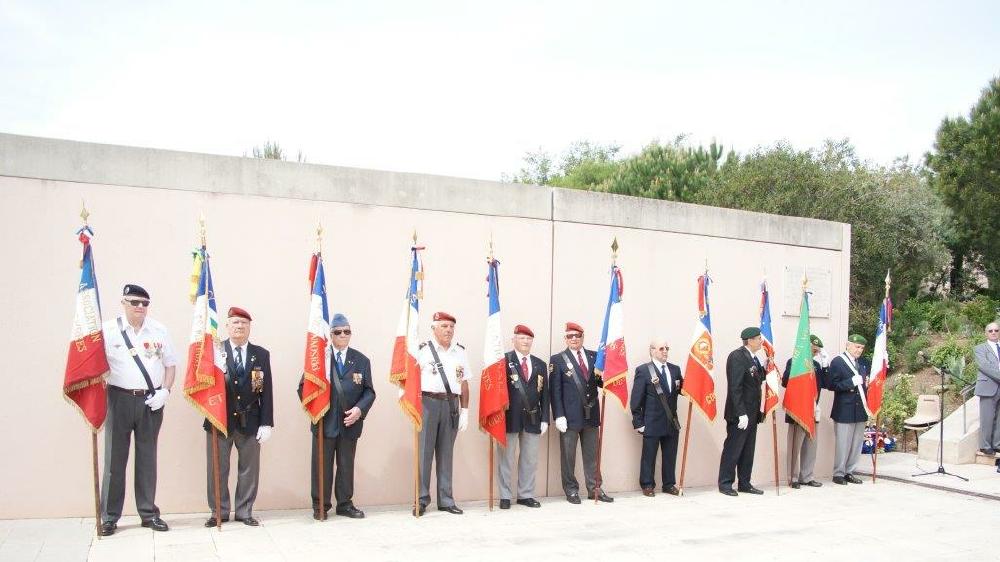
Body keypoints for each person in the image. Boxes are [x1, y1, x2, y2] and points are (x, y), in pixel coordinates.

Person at [99, 284, 176, 535]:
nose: (140, 307)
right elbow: (96, 367)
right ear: (123, 302)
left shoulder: (159, 330)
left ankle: (148, 513)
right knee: (114, 459)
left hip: (150, 401)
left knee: (147, 459)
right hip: (118, 398)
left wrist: (165, 391)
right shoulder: (108, 331)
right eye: (135, 302)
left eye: (144, 303)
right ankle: (109, 516)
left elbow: (170, 365)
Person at [299, 314, 376, 520]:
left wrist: (359, 410)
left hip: (349, 423)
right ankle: (320, 505)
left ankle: (344, 504)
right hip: (324, 421)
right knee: (321, 467)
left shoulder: (361, 360)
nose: (343, 335)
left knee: (346, 464)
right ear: (330, 334)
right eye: (338, 332)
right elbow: (303, 387)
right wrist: (316, 409)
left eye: (347, 331)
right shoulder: (319, 359)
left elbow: (369, 391)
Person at [204, 307, 274, 527]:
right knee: (217, 469)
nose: (240, 326)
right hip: (220, 419)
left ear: (249, 327)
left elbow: (265, 389)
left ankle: (244, 511)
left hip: (250, 420)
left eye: (244, 323)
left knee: (249, 470)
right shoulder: (213, 350)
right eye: (235, 322)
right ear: (227, 326)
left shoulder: (260, 354)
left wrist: (266, 422)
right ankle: (219, 511)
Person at [415, 312, 473, 515]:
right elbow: (411, 379)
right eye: (444, 326)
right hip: (428, 404)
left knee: (446, 454)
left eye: (451, 326)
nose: (448, 330)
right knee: (424, 453)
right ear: (434, 328)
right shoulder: (422, 350)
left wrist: (464, 411)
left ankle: (446, 500)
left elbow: (464, 383)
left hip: (451, 405)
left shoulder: (460, 352)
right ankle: (421, 499)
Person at [550, 322, 612, 504]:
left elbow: (601, 383)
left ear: (583, 336)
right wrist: (558, 415)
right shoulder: (558, 359)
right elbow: (555, 390)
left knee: (592, 455)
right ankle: (571, 490)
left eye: (577, 335)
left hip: (591, 413)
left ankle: (595, 489)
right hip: (569, 417)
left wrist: (609, 375)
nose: (574, 339)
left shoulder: (595, 357)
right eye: (570, 336)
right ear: (565, 338)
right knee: (568, 456)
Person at [497, 324, 548, 509]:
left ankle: (525, 494)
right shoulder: (503, 361)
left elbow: (545, 394)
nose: (525, 341)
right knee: (506, 458)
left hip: (533, 418)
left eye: (528, 339)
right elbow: (497, 392)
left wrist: (545, 419)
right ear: (513, 340)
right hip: (509, 417)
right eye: (521, 338)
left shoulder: (540, 364)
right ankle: (504, 495)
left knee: (529, 459)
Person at [630, 338, 683, 497]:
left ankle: (669, 484)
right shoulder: (644, 371)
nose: (665, 351)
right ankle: (647, 484)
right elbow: (635, 400)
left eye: (667, 348)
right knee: (649, 455)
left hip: (671, 421)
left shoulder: (675, 369)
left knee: (670, 455)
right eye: (661, 348)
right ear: (652, 351)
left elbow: (681, 390)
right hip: (652, 421)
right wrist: (638, 422)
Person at [718, 327, 766, 496]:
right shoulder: (737, 356)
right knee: (733, 449)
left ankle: (745, 482)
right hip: (740, 414)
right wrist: (740, 413)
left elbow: (756, 380)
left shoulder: (753, 358)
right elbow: (735, 387)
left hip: (752, 414)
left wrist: (767, 368)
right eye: (759, 338)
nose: (761, 341)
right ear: (750, 340)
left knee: (748, 450)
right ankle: (725, 483)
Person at [781, 334, 828, 489]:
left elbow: (825, 384)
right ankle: (793, 477)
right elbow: (785, 381)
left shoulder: (817, 365)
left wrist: (826, 367)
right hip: (798, 411)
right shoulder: (793, 361)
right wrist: (798, 366)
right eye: (813, 351)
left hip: (813, 409)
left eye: (817, 352)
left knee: (811, 446)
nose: (815, 354)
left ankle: (807, 476)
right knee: (795, 446)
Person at [829, 334, 870, 485]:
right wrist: (850, 382)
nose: (859, 350)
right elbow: (831, 385)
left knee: (856, 444)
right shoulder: (838, 362)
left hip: (859, 409)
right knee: (843, 443)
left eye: (861, 348)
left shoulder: (862, 363)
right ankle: (838, 473)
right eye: (857, 347)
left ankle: (849, 471)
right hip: (844, 409)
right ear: (848, 345)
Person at [973, 322, 1000, 456]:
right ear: (986, 333)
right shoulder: (980, 348)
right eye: (990, 331)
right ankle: (985, 446)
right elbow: (984, 366)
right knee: (987, 418)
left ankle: (997, 444)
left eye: (996, 330)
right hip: (988, 387)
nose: (994, 332)